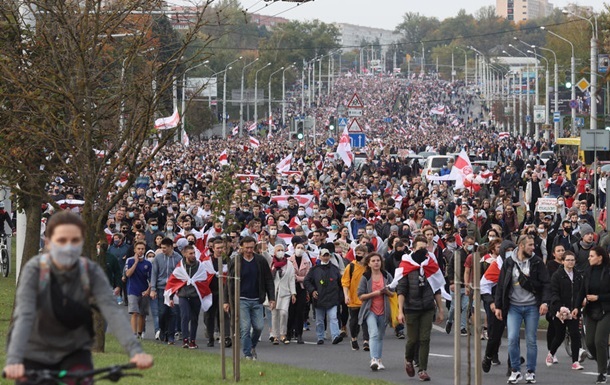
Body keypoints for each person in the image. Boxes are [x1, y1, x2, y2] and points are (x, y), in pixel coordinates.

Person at [3, 211, 152, 381]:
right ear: (48, 242)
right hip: (34, 352)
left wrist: (135, 351)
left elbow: (112, 311)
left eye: (74, 241)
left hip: (74, 352)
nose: (68, 247)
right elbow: (25, 315)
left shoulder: (90, 272)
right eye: (61, 241)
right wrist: (14, 360)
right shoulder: (35, 270)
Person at [495, 235, 551, 384]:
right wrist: (498, 306)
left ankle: (531, 371)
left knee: (531, 340)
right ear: (521, 246)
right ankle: (515, 370)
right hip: (514, 307)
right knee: (512, 338)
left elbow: (546, 283)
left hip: (532, 306)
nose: (533, 248)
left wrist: (544, 302)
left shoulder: (537, 262)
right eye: (530, 245)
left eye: (534, 245)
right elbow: (501, 285)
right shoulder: (508, 262)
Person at [396, 235, 445, 382]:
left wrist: (441, 309)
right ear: (413, 248)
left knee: (425, 339)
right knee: (413, 339)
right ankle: (409, 359)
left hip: (427, 307)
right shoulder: (406, 265)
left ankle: (422, 369)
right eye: (420, 248)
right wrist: (400, 311)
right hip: (411, 307)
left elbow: (437, 288)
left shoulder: (431, 265)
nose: (423, 251)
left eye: (425, 248)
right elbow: (401, 290)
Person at [223, 236, 276, 360]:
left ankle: (252, 346)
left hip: (257, 299)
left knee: (258, 327)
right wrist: (226, 301)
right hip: (241, 300)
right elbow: (228, 282)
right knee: (245, 328)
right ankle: (247, 354)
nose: (249, 250)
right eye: (246, 247)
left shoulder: (260, 261)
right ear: (241, 247)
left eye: (251, 247)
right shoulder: (236, 261)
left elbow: (268, 280)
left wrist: (271, 298)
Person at [165, 244, 213, 350]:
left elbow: (203, 280)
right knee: (185, 316)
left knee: (194, 318)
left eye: (194, 253)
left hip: (196, 296)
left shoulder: (199, 266)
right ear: (185, 254)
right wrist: (171, 297)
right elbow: (174, 281)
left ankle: (193, 340)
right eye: (190, 253)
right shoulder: (180, 267)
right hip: (183, 296)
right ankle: (185, 340)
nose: (193, 255)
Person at [546, 250, 585, 370]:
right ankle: (551, 353)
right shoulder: (557, 276)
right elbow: (554, 293)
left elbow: (580, 292)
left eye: (572, 260)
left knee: (575, 334)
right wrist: (559, 308)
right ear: (562, 261)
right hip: (560, 311)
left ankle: (575, 362)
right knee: (559, 335)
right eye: (568, 260)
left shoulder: (578, 275)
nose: (570, 262)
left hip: (573, 310)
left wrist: (580, 305)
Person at [357, 252, 393, 371]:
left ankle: (379, 359)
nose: (376, 263)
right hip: (370, 309)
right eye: (373, 261)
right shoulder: (365, 277)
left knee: (380, 336)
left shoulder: (387, 276)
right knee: (374, 333)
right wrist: (375, 293)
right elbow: (360, 295)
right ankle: (374, 359)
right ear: (369, 263)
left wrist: (387, 292)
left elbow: (394, 293)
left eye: (378, 260)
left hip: (384, 309)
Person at [304, 247, 343, 345]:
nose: (326, 257)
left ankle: (335, 336)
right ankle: (320, 337)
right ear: (320, 256)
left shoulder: (334, 269)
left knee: (334, 318)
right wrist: (312, 290)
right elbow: (306, 281)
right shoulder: (314, 269)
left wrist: (340, 296)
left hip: (332, 297)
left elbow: (340, 283)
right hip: (319, 298)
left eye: (327, 255)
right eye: (324, 255)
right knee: (319, 320)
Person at [582, 246, 610, 384]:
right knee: (589, 342)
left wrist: (598, 297)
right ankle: (604, 362)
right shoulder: (588, 271)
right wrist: (576, 307)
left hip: (606, 310)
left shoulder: (608, 272)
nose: (589, 258)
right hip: (591, 310)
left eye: (592, 256)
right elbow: (582, 291)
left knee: (600, 341)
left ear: (600, 257)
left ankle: (602, 373)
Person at [150, 237, 181, 344]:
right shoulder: (158, 258)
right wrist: (153, 289)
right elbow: (154, 274)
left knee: (173, 312)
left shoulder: (178, 258)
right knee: (162, 312)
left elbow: (180, 273)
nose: (163, 250)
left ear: (171, 247)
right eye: (161, 248)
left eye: (165, 248)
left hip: (173, 289)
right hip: (161, 288)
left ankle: (171, 335)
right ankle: (163, 330)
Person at [342, 244, 370, 351]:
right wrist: (346, 296)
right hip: (353, 298)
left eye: (360, 253)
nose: (358, 256)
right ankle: (354, 338)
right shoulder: (351, 267)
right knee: (354, 320)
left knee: (366, 320)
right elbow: (345, 283)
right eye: (357, 253)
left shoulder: (368, 267)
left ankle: (366, 341)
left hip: (365, 298)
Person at [205, 238, 232, 348]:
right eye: (218, 248)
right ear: (213, 249)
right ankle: (210, 336)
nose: (220, 250)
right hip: (210, 291)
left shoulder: (228, 261)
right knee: (209, 316)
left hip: (223, 291)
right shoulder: (207, 261)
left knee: (224, 314)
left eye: (222, 248)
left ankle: (225, 337)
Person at [124, 241, 152, 339]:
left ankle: (140, 333)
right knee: (134, 312)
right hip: (132, 290)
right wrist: (136, 262)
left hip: (144, 290)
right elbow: (128, 274)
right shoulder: (130, 260)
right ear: (135, 250)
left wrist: (148, 290)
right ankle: (134, 334)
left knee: (142, 313)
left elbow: (151, 278)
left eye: (142, 249)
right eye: (138, 249)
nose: (140, 251)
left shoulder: (148, 263)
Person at [269, 244, 296, 345]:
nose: (280, 251)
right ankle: (275, 335)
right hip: (274, 292)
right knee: (275, 314)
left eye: (282, 250)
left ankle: (283, 334)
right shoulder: (272, 263)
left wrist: (293, 293)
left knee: (284, 313)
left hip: (285, 292)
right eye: (278, 250)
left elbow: (291, 279)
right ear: (274, 252)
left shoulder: (289, 264)